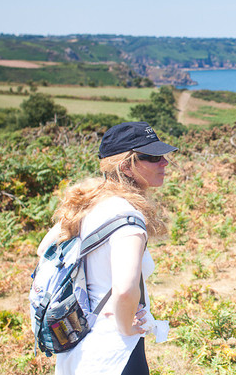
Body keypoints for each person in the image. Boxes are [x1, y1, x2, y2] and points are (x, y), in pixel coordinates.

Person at [37, 121, 176, 375]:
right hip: (115, 354)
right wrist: (125, 327)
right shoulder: (128, 219)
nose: (165, 162)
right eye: (154, 157)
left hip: (78, 347)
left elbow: (44, 252)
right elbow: (124, 290)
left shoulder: (91, 205)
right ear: (126, 166)